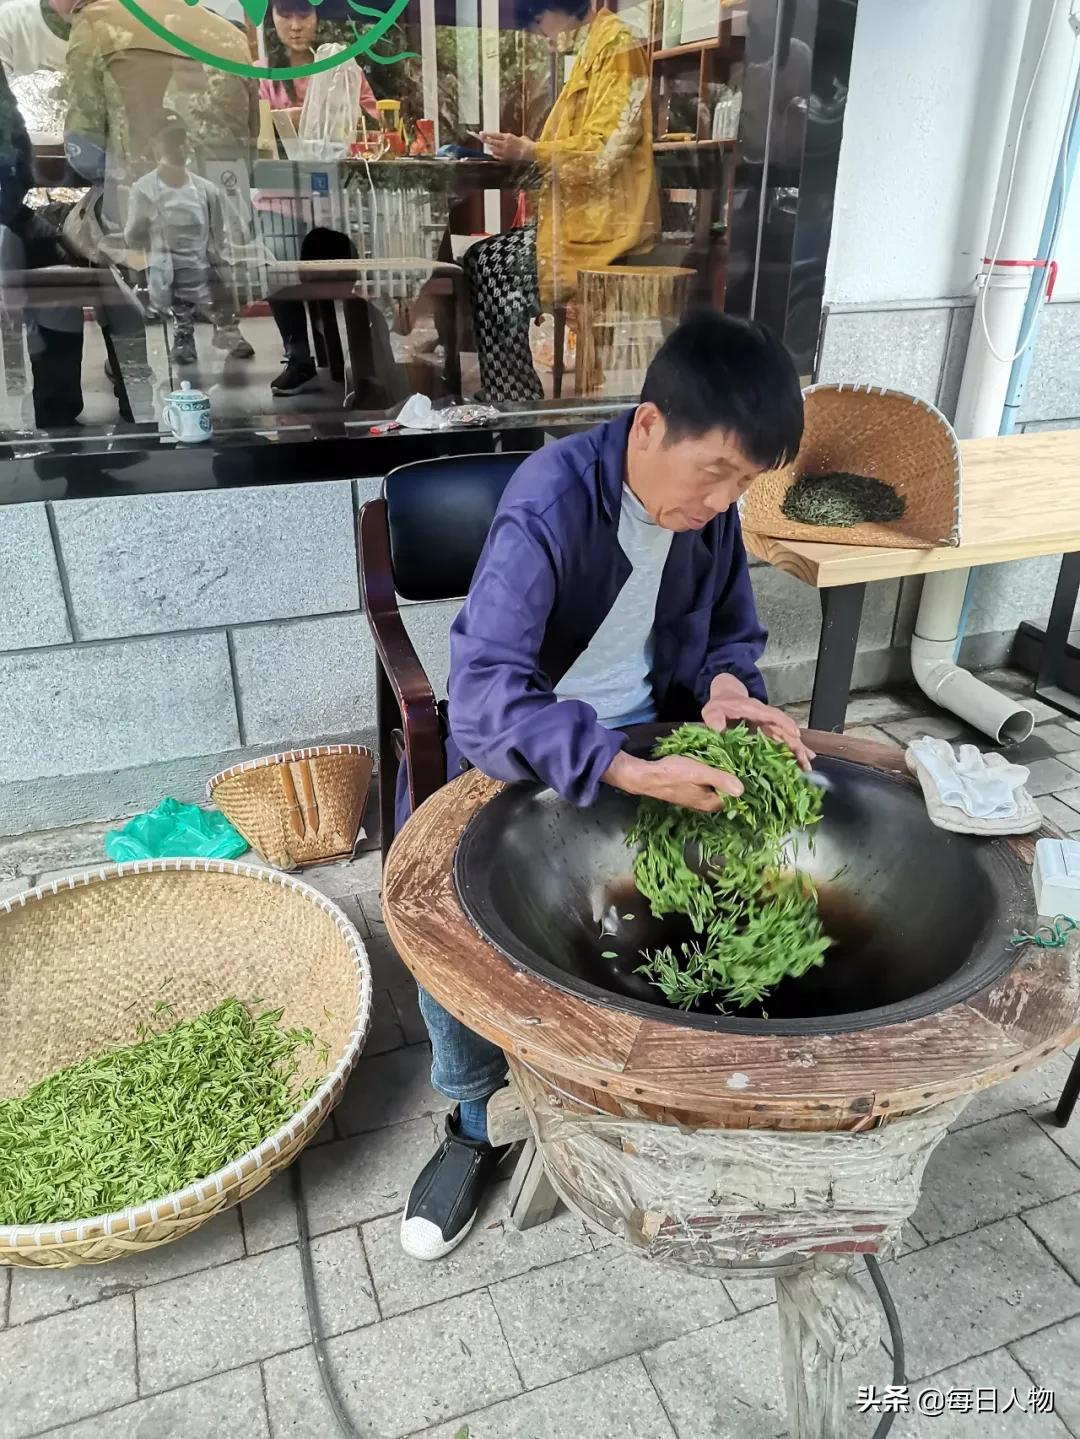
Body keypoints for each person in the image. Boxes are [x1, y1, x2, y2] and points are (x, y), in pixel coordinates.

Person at [397, 309, 810, 1260]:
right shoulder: (550, 503)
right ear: (650, 425)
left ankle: (653, 1085)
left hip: (656, 732)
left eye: (744, 483)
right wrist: (619, 765)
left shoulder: (709, 515)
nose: (720, 501)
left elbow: (729, 633)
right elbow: (486, 698)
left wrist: (728, 690)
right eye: (714, 473)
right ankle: (468, 1124)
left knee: (731, 883)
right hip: (537, 751)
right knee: (452, 922)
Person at [465, 0, 658, 403]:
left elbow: (605, 148)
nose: (542, 31)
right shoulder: (595, 48)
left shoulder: (617, 47)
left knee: (488, 264)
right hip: (577, 221)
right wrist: (527, 151)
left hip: (604, 228)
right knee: (484, 259)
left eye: (540, 19)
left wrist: (531, 152)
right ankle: (511, 393)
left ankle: (514, 398)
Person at [64, 0, 258, 382]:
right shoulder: (231, 36)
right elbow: (248, 147)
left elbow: (83, 154)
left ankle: (128, 351)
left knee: (73, 230)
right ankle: (218, 323)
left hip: (142, 224)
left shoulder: (98, 23)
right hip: (224, 223)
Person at [258, 0, 378, 397]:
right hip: (280, 197)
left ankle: (365, 361)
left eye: (303, 16)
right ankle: (299, 355)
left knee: (351, 252)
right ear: (272, 18)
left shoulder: (341, 66)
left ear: (316, 19)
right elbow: (251, 138)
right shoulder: (261, 75)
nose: (294, 26)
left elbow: (371, 124)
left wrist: (336, 122)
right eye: (285, 16)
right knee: (273, 252)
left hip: (336, 199)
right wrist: (287, 121)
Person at [125, 117, 237, 367]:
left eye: (182, 141)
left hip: (204, 261)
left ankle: (227, 327)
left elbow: (220, 233)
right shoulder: (143, 189)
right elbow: (132, 235)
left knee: (219, 267)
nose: (179, 147)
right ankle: (183, 332)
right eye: (171, 141)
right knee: (175, 267)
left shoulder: (208, 190)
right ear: (156, 145)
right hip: (167, 265)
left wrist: (221, 258)